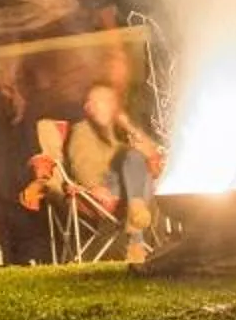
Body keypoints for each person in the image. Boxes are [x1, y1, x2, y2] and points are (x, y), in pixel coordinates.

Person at [58, 80, 163, 262]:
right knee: (134, 159)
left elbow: (153, 153)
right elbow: (80, 163)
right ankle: (137, 227)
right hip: (104, 190)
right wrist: (92, 186)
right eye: (93, 102)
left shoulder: (121, 132)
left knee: (137, 159)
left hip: (131, 189)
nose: (95, 106)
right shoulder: (82, 130)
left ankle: (136, 241)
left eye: (105, 101)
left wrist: (128, 125)